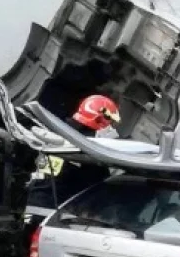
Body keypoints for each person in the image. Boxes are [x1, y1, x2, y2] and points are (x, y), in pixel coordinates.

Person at [25, 94, 120, 228]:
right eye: (111, 123)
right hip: (54, 214)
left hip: (31, 204)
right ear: (99, 119)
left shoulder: (57, 133)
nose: (112, 128)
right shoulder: (86, 149)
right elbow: (98, 186)